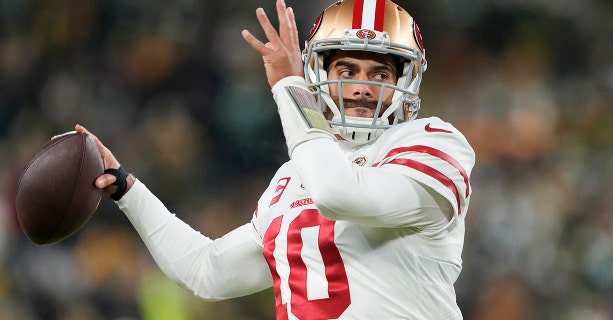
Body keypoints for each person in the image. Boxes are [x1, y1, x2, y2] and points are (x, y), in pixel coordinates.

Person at [75, 0, 475, 318]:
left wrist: (289, 86)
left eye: (379, 75)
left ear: (404, 83)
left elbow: (338, 194)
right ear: (318, 74)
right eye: (348, 70)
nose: (361, 88)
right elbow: (206, 271)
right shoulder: (294, 173)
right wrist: (126, 187)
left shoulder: (433, 142)